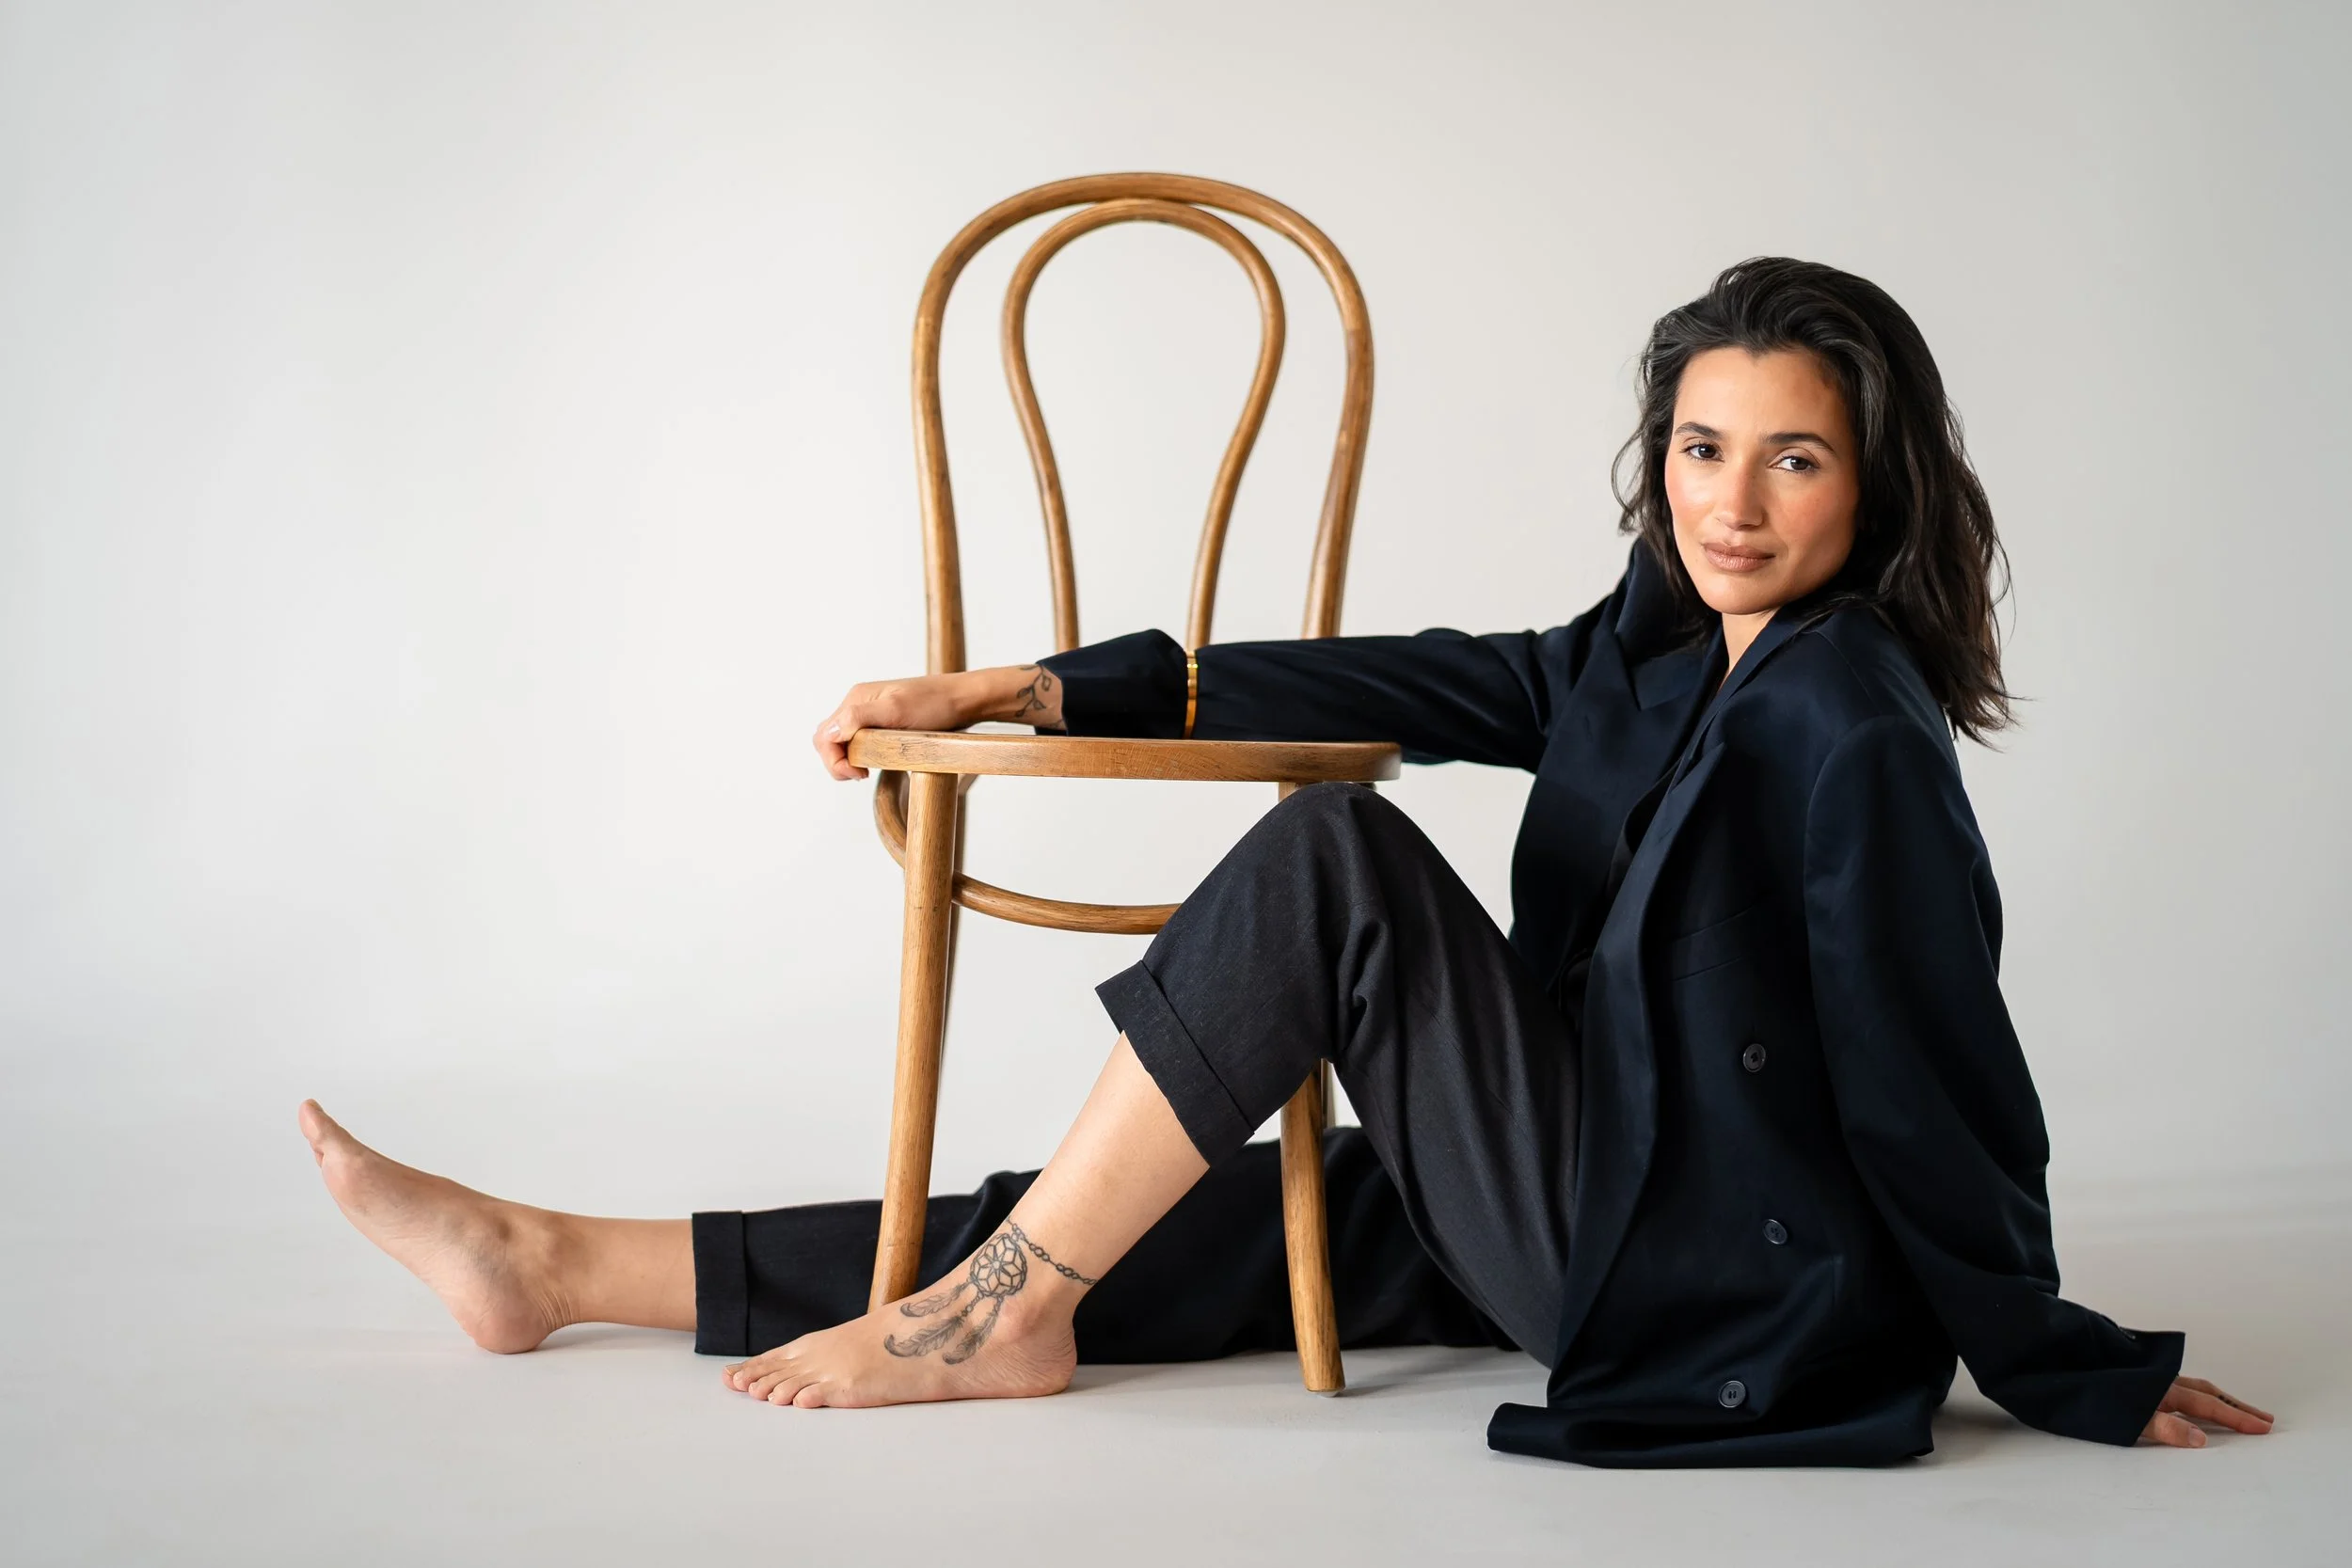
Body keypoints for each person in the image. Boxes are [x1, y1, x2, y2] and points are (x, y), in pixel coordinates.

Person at [298, 257, 2274, 1466]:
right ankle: (550, 1264)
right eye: (1699, 445)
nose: (1729, 500)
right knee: (1127, 1210)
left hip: (1707, 1278)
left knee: (1333, 855)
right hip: (1597, 1168)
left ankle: (993, 1317)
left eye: (1792, 456)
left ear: (1874, 480)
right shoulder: (1653, 648)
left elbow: (1932, 1060)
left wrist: (2050, 1352)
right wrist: (1036, 686)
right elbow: (1393, 673)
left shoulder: (1852, 713)